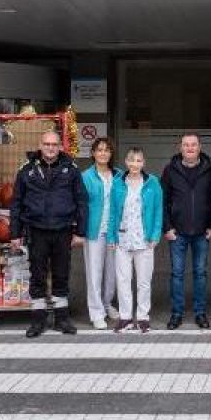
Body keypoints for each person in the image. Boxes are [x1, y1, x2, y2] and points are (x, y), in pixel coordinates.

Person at [10, 130, 88, 338]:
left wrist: (80, 232)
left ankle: (62, 318)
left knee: (62, 274)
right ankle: (38, 320)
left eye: (54, 144)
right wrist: (15, 233)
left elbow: (82, 201)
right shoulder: (26, 170)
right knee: (37, 275)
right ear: (40, 145)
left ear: (60, 146)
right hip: (36, 231)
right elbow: (16, 203)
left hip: (63, 230)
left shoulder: (71, 170)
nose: (51, 148)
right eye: (47, 144)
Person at [161, 132, 211, 330]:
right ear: (180, 148)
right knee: (177, 274)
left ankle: (200, 313)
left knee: (200, 273)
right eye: (186, 145)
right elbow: (163, 201)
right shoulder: (170, 170)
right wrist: (167, 227)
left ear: (200, 147)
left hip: (202, 231)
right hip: (178, 232)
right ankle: (177, 313)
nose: (190, 148)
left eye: (193, 145)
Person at [106, 147, 163, 333]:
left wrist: (155, 234)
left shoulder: (153, 183)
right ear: (126, 162)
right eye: (132, 160)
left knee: (144, 281)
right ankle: (125, 318)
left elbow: (157, 211)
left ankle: (143, 317)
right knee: (123, 280)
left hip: (145, 240)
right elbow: (113, 212)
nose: (135, 164)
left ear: (143, 163)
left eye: (139, 161)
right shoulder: (118, 183)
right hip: (123, 239)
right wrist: (111, 235)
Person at [81, 137, 120, 329]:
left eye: (107, 150)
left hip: (115, 232)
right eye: (99, 150)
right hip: (94, 231)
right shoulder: (86, 176)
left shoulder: (119, 175)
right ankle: (96, 312)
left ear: (111, 154)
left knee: (112, 273)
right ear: (93, 153)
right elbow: (81, 205)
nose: (103, 153)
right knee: (94, 273)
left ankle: (107, 304)